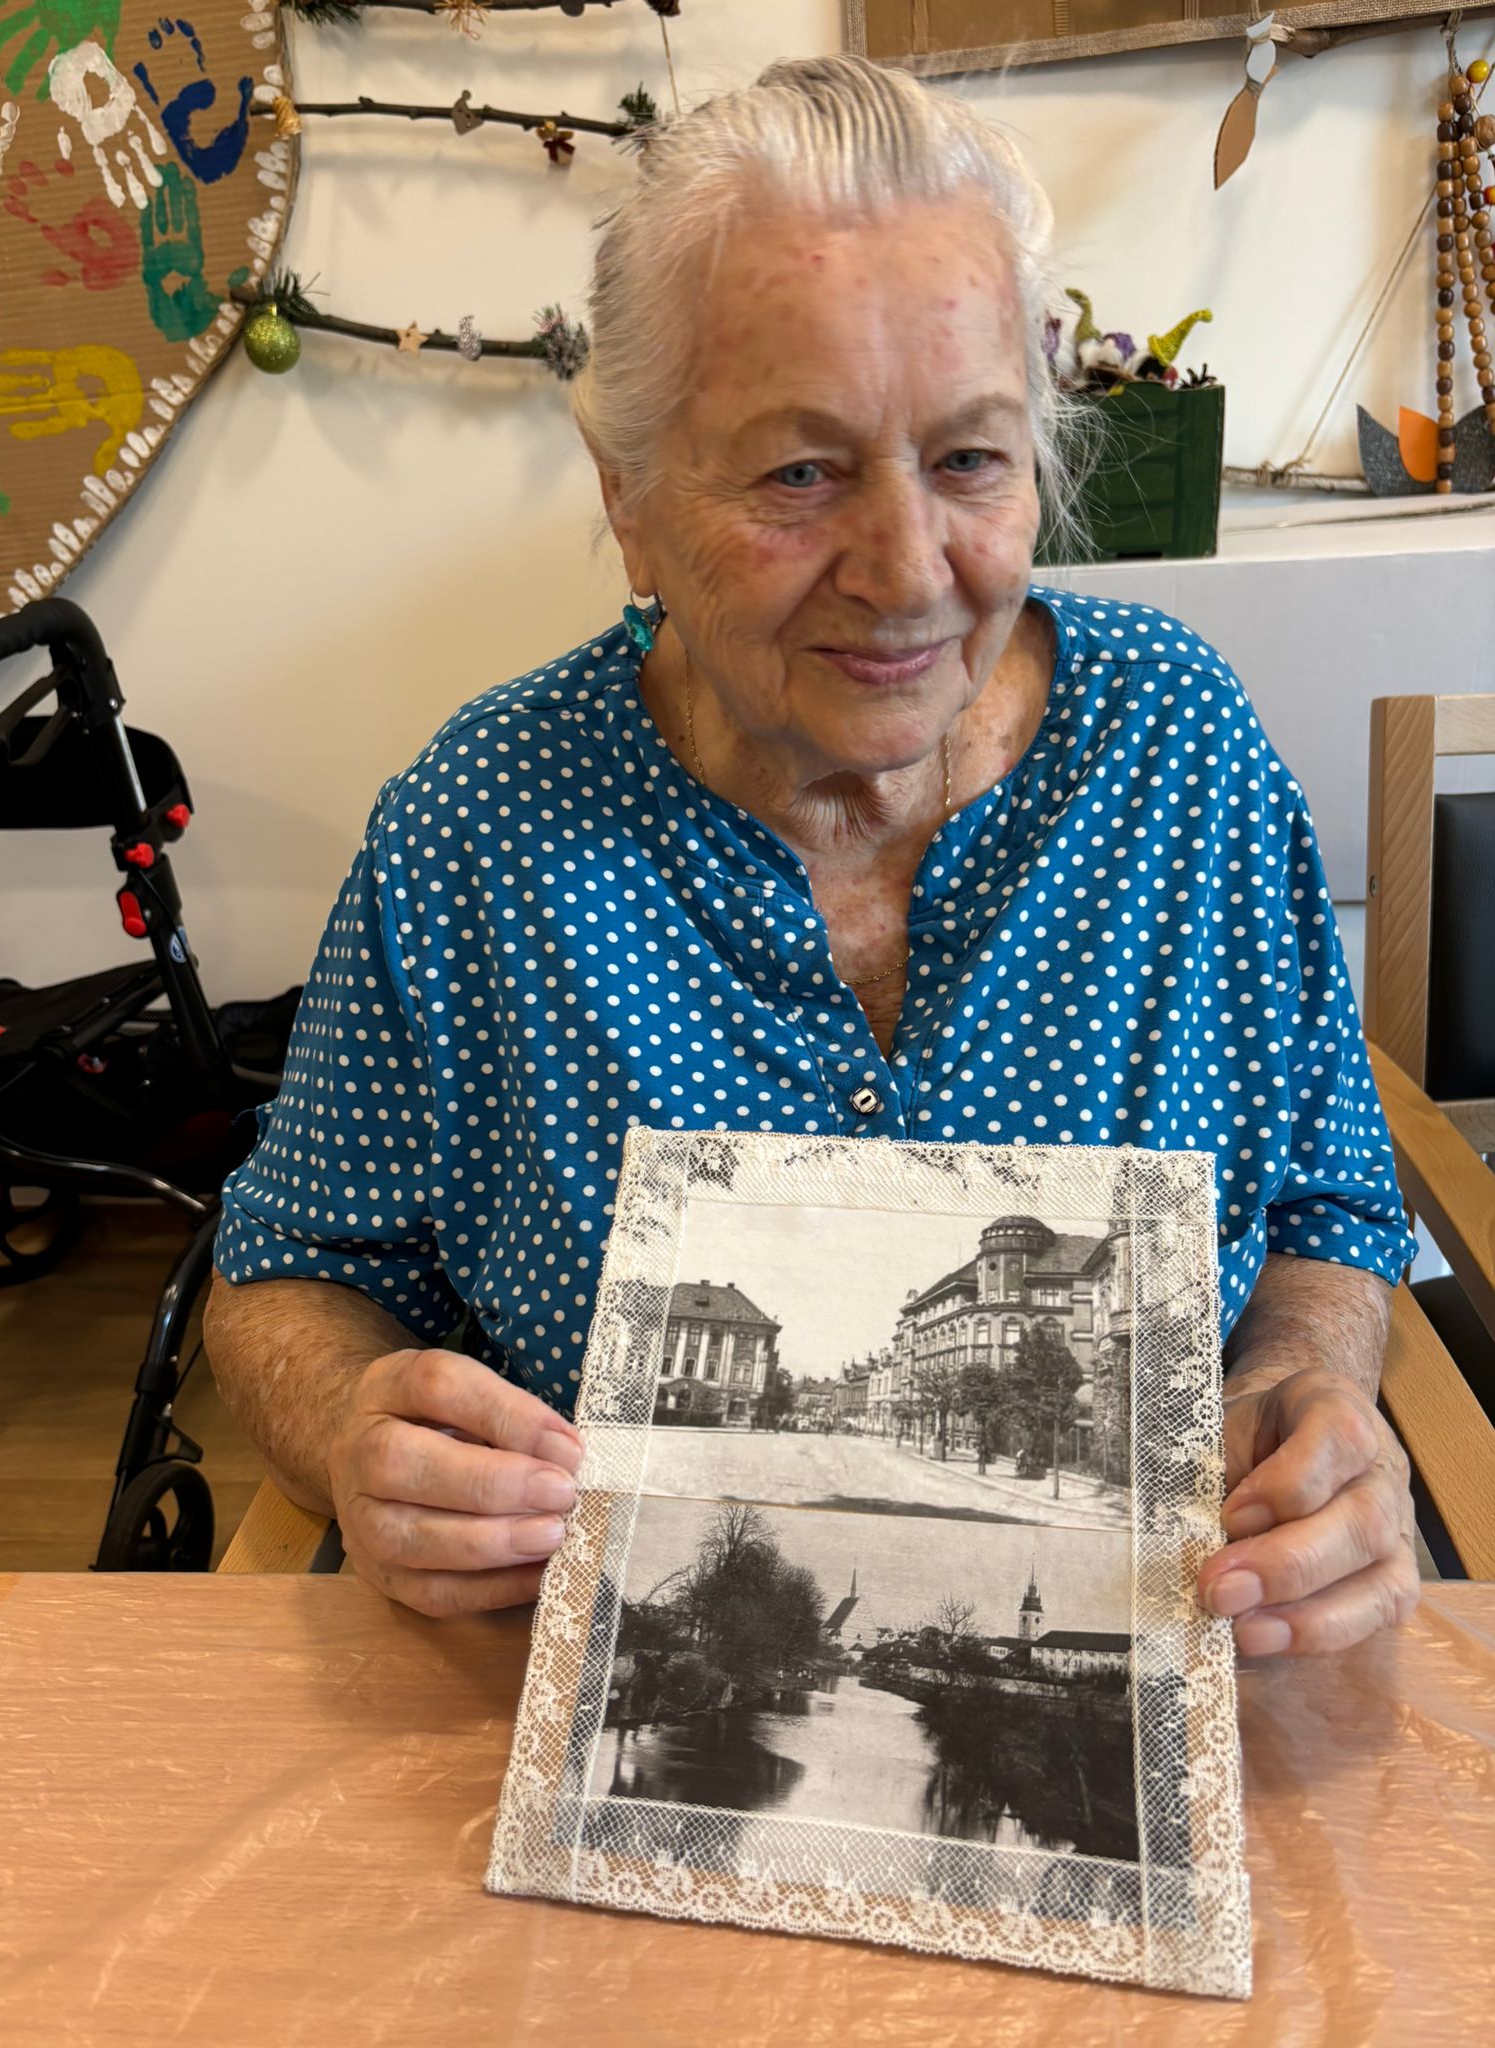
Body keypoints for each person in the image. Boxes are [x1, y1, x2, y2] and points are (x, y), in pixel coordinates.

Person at [206, 56, 1420, 1657]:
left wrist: (1307, 1380)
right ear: (629, 499)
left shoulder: (1176, 754)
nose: (907, 571)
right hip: (574, 1693)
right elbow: (286, 1268)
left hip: (1187, 1668)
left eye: (972, 460)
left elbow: (1333, 1200)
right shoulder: (481, 824)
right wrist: (354, 1422)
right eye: (800, 472)